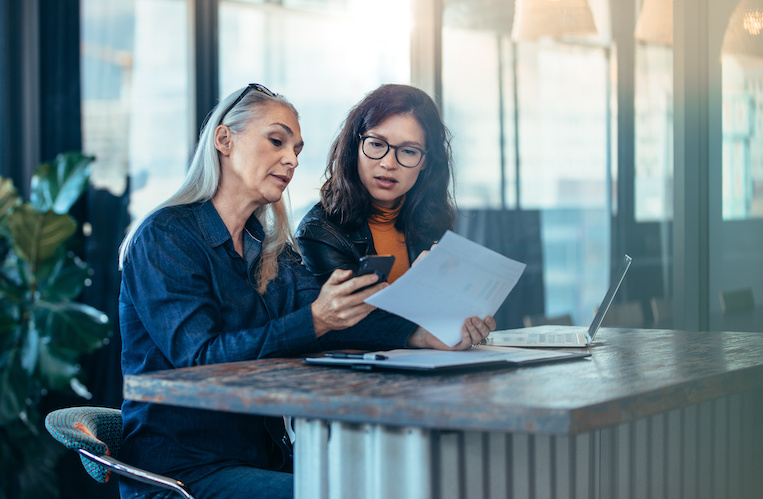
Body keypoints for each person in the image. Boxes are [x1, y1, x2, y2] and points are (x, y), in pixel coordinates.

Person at [117, 84, 493, 499]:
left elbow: (333, 321)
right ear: (224, 140)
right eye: (276, 141)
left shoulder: (269, 246)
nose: (291, 159)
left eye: (296, 148)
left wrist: (418, 334)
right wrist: (315, 319)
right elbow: (200, 358)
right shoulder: (166, 237)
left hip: (262, 457)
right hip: (184, 470)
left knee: (405, 484)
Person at [296, 84, 455, 285]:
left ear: (426, 162)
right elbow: (358, 316)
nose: (388, 164)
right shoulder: (320, 233)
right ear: (356, 146)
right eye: (377, 144)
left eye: (408, 151)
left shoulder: (432, 221)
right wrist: (417, 286)